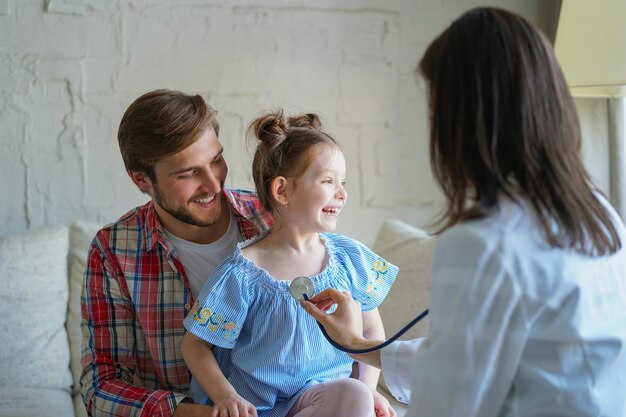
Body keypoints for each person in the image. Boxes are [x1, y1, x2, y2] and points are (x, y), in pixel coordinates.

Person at [301, 7, 626, 417]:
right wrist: (362, 346)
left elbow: (450, 401)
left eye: (438, 113)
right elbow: (467, 358)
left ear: (469, 120)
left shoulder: (481, 242)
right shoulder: (597, 211)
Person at [180, 111, 398, 417]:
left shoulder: (349, 260)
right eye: (328, 181)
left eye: (343, 182)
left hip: (323, 399)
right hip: (259, 408)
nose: (343, 193)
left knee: (354, 393)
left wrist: (369, 388)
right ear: (282, 190)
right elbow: (195, 345)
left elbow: (371, 328)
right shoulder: (242, 273)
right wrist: (226, 397)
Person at [80, 89, 274, 417]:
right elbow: (101, 387)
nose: (213, 184)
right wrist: (205, 414)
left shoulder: (272, 220)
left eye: (215, 160)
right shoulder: (113, 252)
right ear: (142, 179)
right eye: (187, 174)